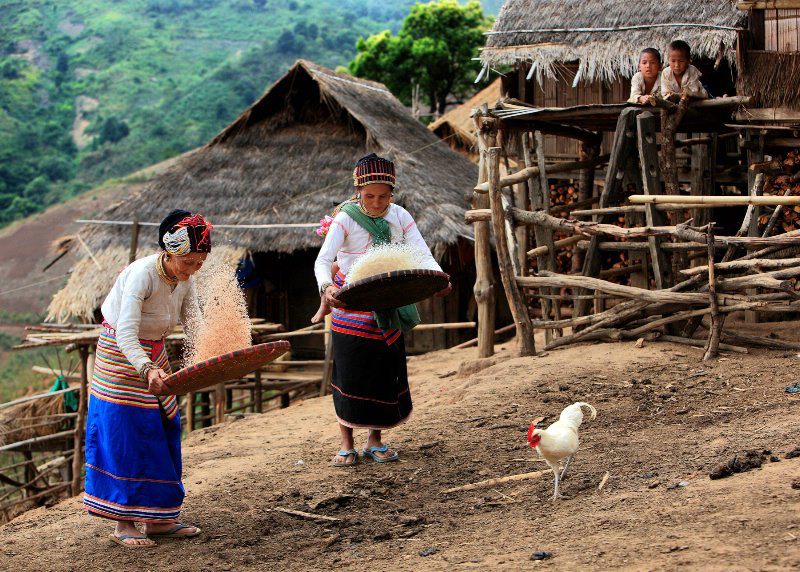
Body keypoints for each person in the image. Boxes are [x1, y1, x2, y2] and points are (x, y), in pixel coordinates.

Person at [84, 209, 211, 548]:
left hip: (154, 352)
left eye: (198, 263)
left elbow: (193, 320)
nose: (192, 270)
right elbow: (125, 331)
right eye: (188, 262)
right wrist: (144, 367)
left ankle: (158, 519)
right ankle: (123, 522)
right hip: (119, 354)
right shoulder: (141, 275)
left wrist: (210, 352)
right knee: (124, 431)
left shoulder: (187, 279)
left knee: (163, 426)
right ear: (169, 253)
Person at [314, 153, 451, 467]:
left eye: (384, 196)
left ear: (393, 193)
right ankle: (346, 443)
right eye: (369, 196)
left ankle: (375, 439)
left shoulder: (400, 216)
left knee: (382, 373)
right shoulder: (346, 218)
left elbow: (420, 252)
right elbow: (323, 261)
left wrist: (440, 277)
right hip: (351, 304)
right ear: (358, 191)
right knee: (349, 373)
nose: (376, 203)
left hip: (388, 302)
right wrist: (328, 287)